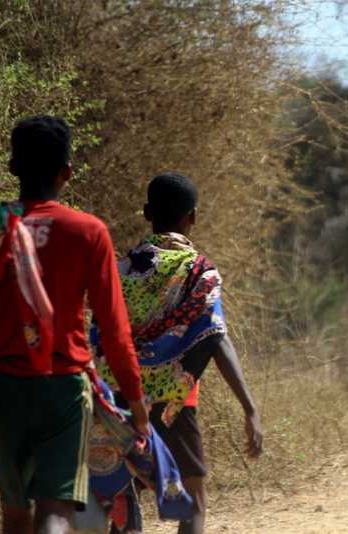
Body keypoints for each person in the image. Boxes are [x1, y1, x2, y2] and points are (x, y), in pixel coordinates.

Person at [0, 115, 148, 534]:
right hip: (61, 386)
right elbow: (114, 330)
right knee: (56, 511)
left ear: (11, 168)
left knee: (15, 515)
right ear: (66, 173)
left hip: (1, 386)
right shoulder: (86, 231)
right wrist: (136, 406)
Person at [92, 172, 263, 534]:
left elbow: (100, 333)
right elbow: (216, 338)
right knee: (193, 496)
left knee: (121, 492)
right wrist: (249, 407)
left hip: (118, 395)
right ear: (194, 217)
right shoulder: (199, 273)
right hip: (173, 404)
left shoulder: (120, 269)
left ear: (146, 213)